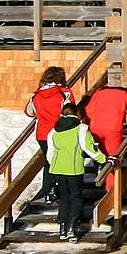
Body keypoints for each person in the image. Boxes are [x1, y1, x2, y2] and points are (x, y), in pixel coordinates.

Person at [45, 102, 107, 240]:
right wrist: (104, 159)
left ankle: (62, 227)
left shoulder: (54, 131)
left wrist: (54, 164)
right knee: (76, 197)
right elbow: (89, 147)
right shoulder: (81, 128)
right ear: (76, 113)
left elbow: (50, 152)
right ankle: (72, 227)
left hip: (57, 168)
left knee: (64, 198)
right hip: (73, 169)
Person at [25, 67, 75, 203]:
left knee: (49, 161)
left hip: (42, 133)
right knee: (60, 162)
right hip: (59, 131)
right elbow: (70, 111)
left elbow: (29, 112)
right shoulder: (64, 93)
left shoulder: (36, 95)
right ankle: (57, 190)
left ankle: (47, 191)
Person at [83, 84, 127, 189]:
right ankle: (110, 191)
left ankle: (100, 170)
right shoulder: (125, 91)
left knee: (104, 157)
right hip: (113, 129)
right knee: (112, 161)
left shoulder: (100, 90)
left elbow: (88, 110)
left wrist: (90, 124)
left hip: (96, 128)